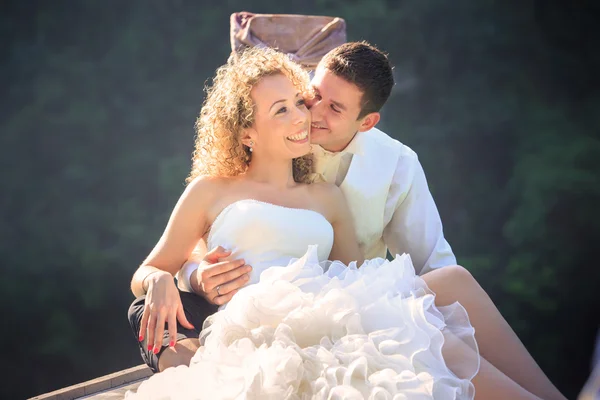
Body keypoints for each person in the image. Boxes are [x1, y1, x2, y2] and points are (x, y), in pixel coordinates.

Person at [127, 46, 566, 400]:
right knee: (426, 337)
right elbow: (150, 269)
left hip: (329, 300)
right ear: (246, 133)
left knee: (449, 288)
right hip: (261, 321)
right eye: (286, 108)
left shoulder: (332, 193)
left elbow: (356, 277)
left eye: (300, 103)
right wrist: (168, 279)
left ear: (365, 121)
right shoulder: (212, 189)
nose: (304, 116)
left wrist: (398, 315)